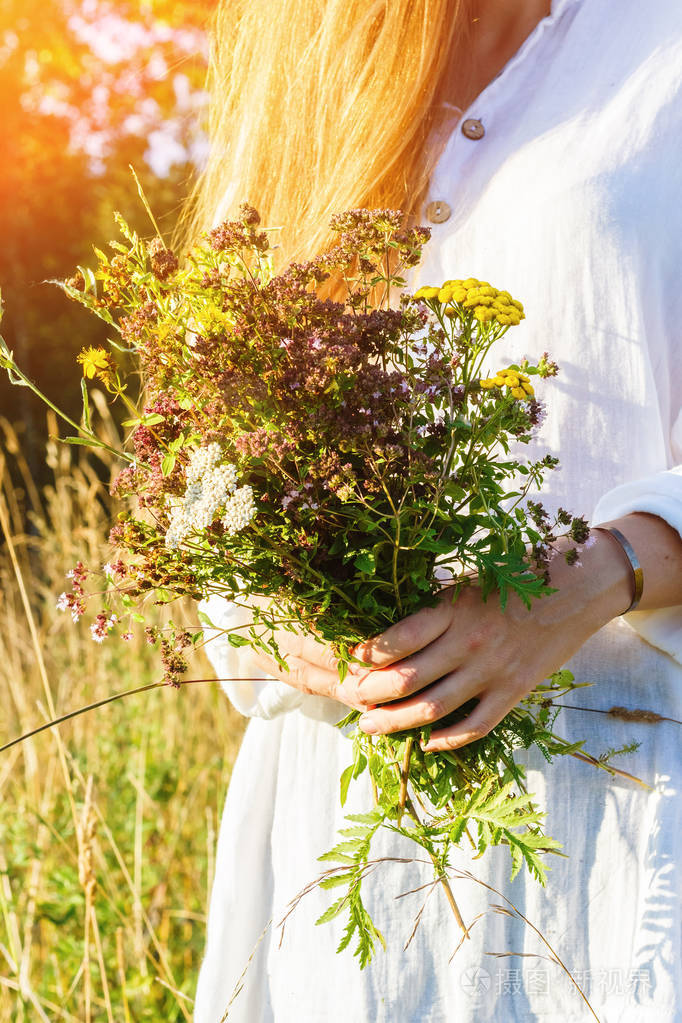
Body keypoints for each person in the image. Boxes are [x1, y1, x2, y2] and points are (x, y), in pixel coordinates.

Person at [189, 1, 682, 1020]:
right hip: (343, 828)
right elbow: (211, 464)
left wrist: (596, 573)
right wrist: (280, 617)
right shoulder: (305, 64)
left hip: (621, 802)